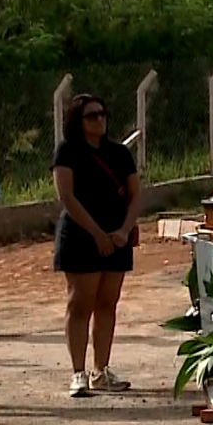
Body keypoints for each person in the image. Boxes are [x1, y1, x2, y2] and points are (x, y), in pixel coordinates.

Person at [52, 94, 140, 397]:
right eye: (92, 115)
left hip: (117, 235)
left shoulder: (119, 153)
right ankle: (78, 372)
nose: (100, 119)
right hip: (81, 235)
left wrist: (124, 230)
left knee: (107, 303)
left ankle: (101, 370)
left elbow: (135, 194)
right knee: (80, 303)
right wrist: (97, 234)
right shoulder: (67, 151)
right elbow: (67, 197)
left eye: (103, 114)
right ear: (78, 121)